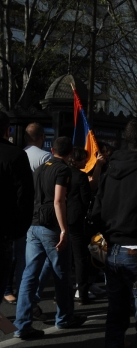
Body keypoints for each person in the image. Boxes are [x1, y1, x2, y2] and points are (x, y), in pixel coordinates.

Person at [92, 118, 137, 348]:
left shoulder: (110, 170)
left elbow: (96, 211)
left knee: (116, 315)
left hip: (113, 252)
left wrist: (110, 234)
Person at [14, 136, 87, 340]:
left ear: (52, 149)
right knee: (61, 274)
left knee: (30, 275)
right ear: (70, 153)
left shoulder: (39, 169)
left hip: (34, 224)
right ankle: (64, 317)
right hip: (50, 226)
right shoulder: (62, 170)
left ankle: (22, 323)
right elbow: (58, 201)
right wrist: (64, 229)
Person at [0, 113, 34, 303]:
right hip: (4, 232)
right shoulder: (15, 155)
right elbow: (25, 197)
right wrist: (18, 230)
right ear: (7, 131)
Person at [68, 147, 93, 304]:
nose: (86, 161)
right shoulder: (81, 176)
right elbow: (86, 200)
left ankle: (62, 293)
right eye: (84, 159)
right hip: (76, 220)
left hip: (61, 219)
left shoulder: (62, 172)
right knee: (80, 258)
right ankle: (82, 293)